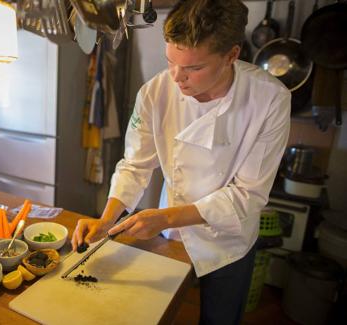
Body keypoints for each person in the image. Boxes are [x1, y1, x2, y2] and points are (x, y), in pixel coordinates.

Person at [71, 0, 291, 324]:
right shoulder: (155, 92)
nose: (177, 78)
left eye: (193, 68)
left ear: (231, 55)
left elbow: (247, 195)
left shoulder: (269, 100)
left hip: (229, 241)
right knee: (159, 314)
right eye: (170, 61)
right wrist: (106, 220)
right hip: (173, 235)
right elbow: (135, 165)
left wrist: (164, 218)